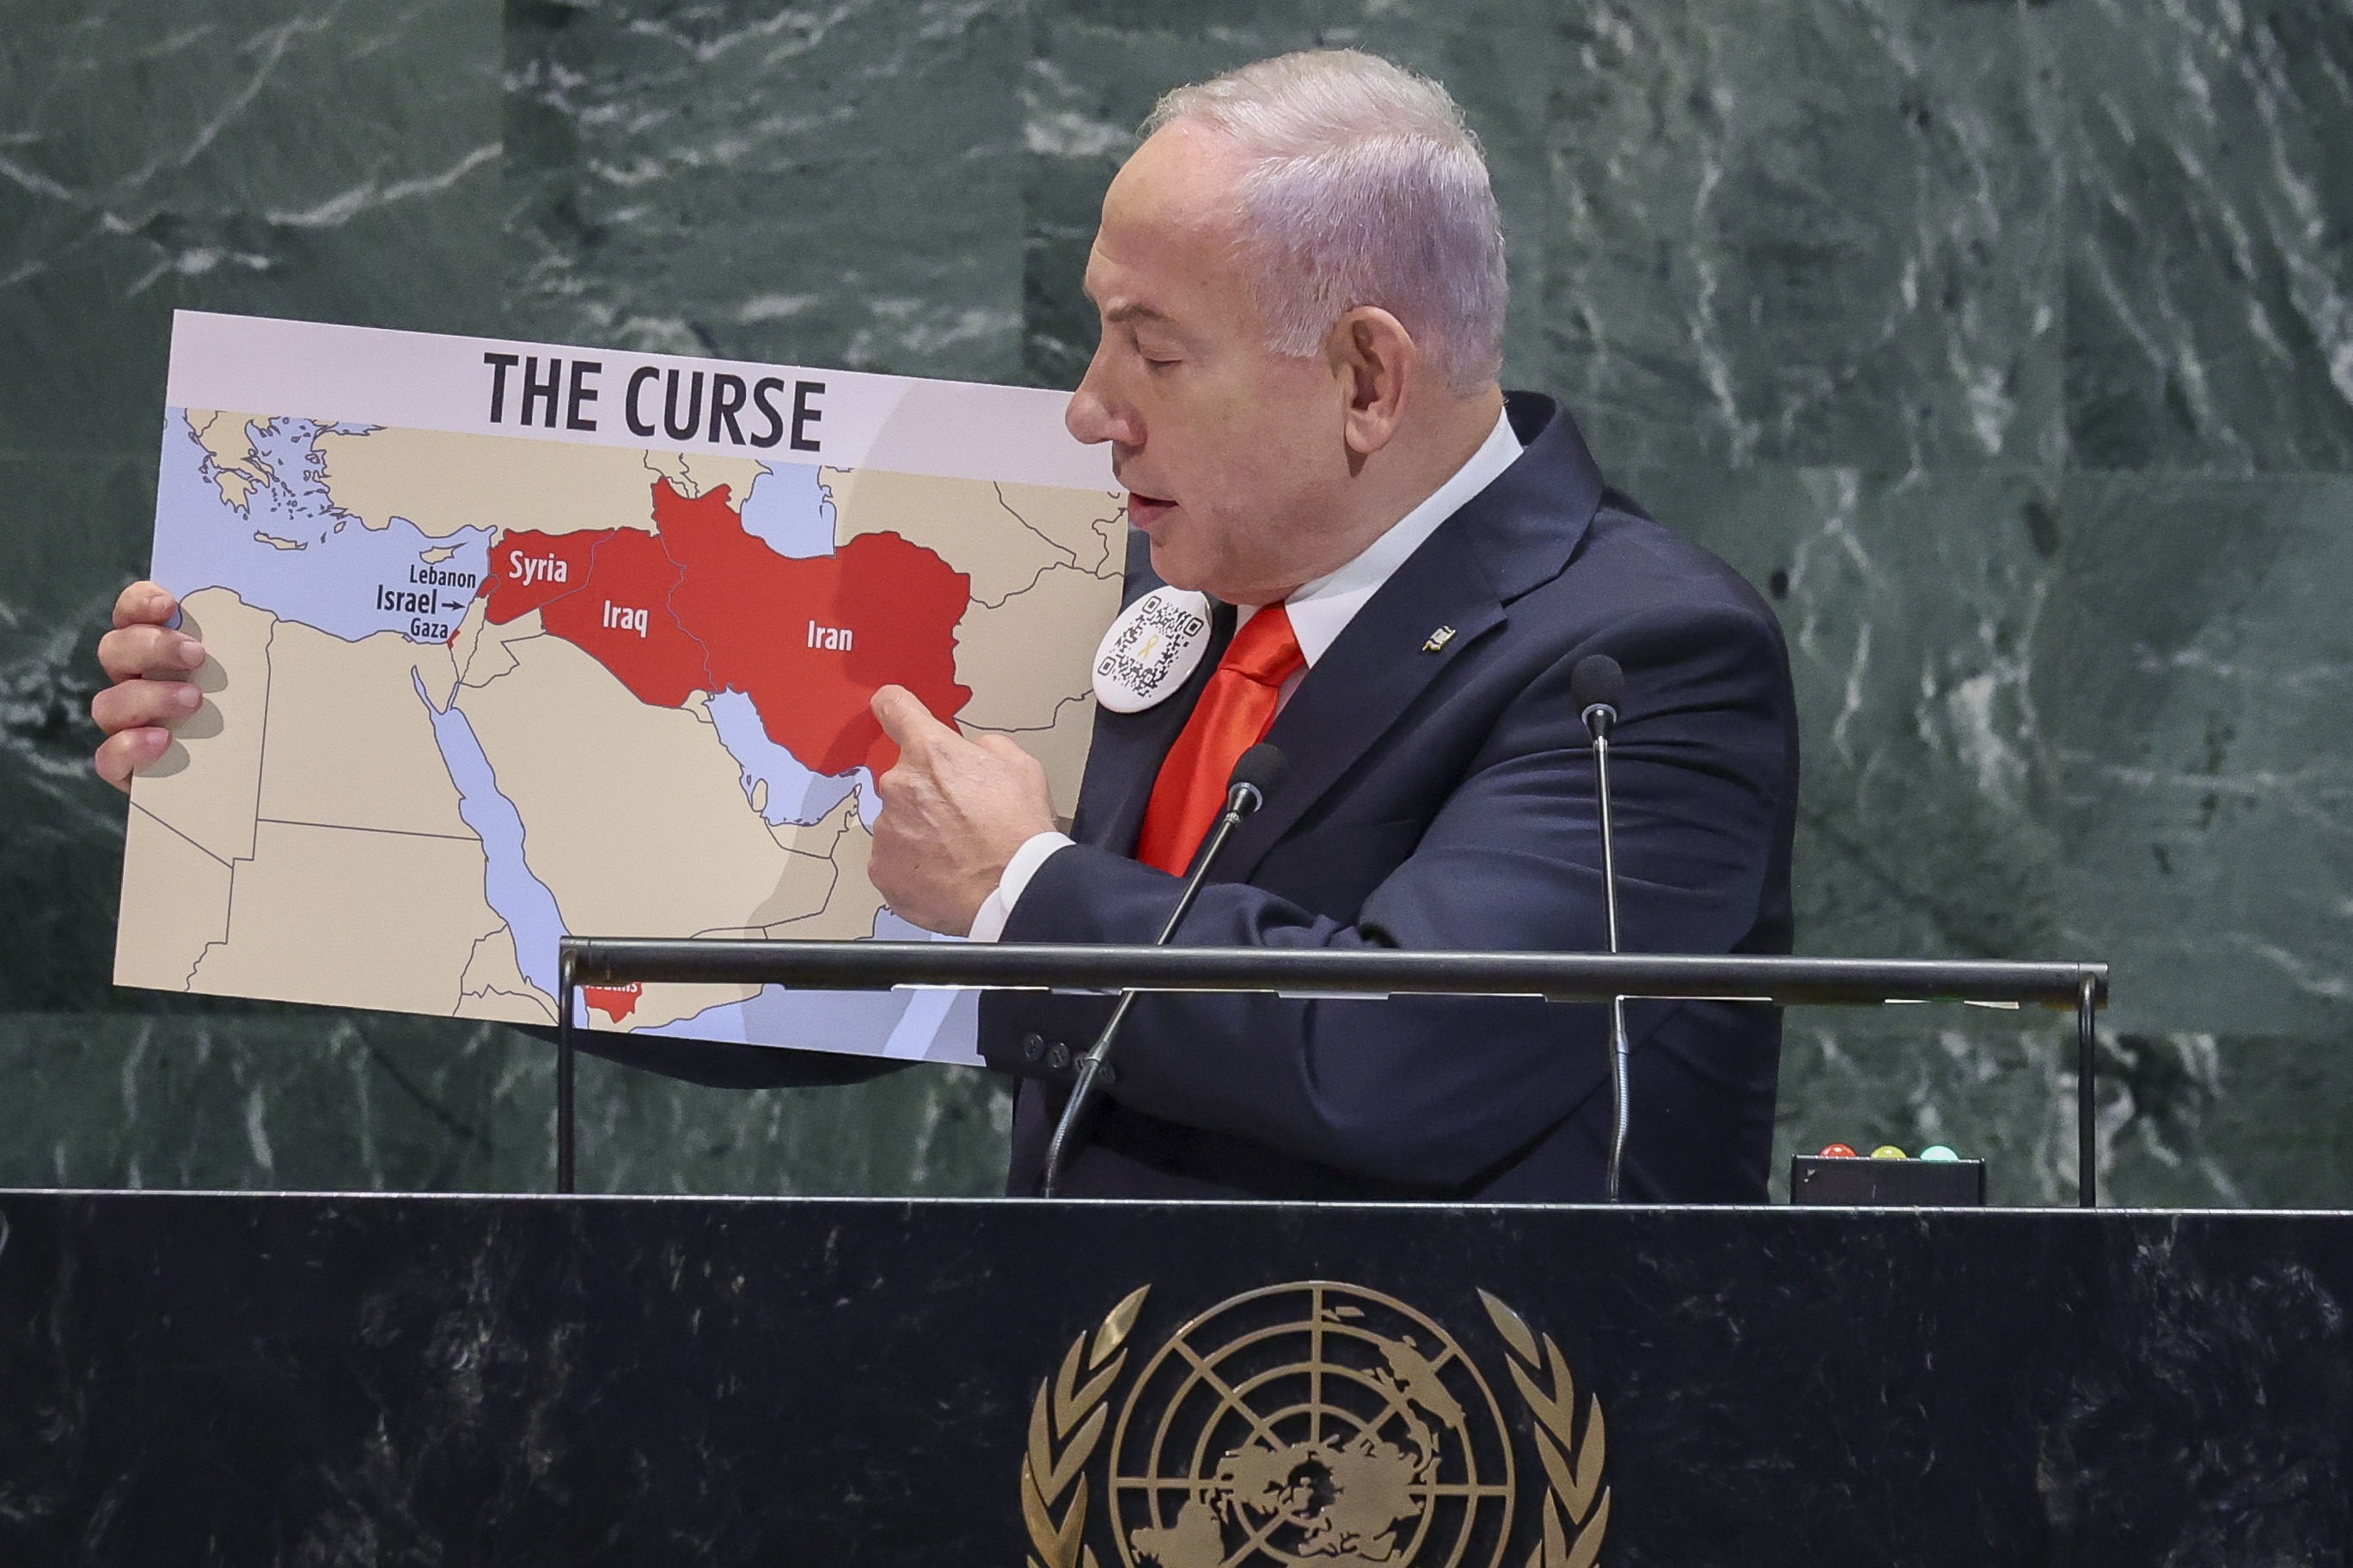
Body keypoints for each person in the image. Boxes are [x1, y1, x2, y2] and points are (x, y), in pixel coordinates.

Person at [95, 50, 1797, 1202]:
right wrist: (310, 787)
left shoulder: (1640, 661)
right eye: (1093, 335)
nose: (1086, 408)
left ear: (1364, 373)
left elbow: (1406, 1057)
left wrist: (1026, 892)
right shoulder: (1139, 592)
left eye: (1152, 346)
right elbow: (839, 987)